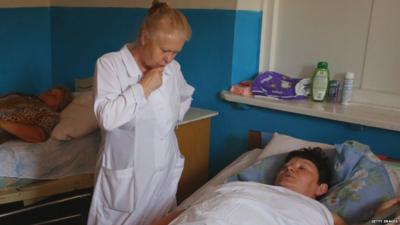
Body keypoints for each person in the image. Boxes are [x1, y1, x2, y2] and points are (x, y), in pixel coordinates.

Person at [87, 1, 194, 225]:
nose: (169, 58)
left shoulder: (173, 68)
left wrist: (168, 120)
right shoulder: (110, 64)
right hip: (126, 175)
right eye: (165, 50)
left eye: (175, 52)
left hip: (164, 169)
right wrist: (143, 87)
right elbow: (107, 117)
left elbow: (185, 96)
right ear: (145, 37)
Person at [152, 147, 395, 225]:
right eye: (287, 166)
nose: (289, 169)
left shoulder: (320, 213)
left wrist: (383, 213)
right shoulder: (239, 187)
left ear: (321, 188)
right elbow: (178, 216)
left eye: (302, 169)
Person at [0, 86, 73, 144]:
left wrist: (2, 122)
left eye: (54, 96)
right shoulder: (27, 98)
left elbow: (39, 135)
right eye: (49, 90)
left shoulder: (50, 114)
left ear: (59, 106)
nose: (48, 93)